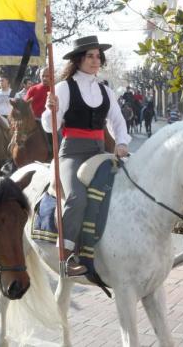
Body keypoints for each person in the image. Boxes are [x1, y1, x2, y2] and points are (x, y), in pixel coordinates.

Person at [42, 35, 130, 277]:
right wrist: (52, 110)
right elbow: (50, 128)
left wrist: (121, 143)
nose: (95, 60)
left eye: (98, 56)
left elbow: (117, 121)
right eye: (90, 56)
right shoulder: (63, 88)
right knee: (77, 198)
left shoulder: (105, 90)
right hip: (72, 153)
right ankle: (67, 256)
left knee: (126, 189)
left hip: (99, 152)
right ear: (79, 59)